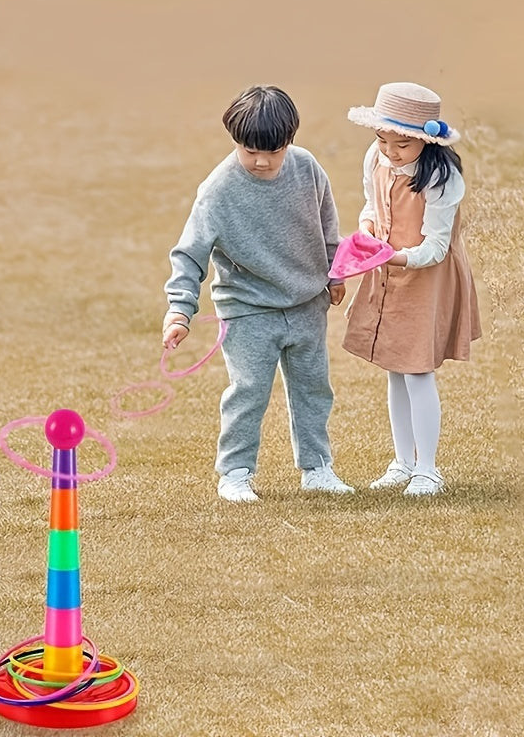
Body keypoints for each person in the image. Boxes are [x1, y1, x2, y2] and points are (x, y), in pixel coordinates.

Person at [162, 84, 355, 502]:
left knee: (313, 389)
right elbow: (189, 254)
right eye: (250, 151)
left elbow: (327, 222)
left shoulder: (307, 168)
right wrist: (179, 310)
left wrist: (335, 272)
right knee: (248, 392)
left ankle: (317, 468)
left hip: (306, 304)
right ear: (235, 139)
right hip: (247, 308)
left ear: (289, 141)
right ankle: (235, 473)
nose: (261, 161)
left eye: (274, 151)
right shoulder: (218, 191)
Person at [341, 81, 481, 496]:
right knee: (395, 368)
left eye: (401, 144)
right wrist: (367, 229)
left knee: (417, 372)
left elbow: (436, 247)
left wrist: (394, 258)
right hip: (388, 273)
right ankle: (402, 462)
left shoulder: (440, 178)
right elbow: (371, 205)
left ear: (425, 140)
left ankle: (427, 469)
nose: (390, 151)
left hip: (425, 276)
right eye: (382, 139)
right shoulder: (376, 158)